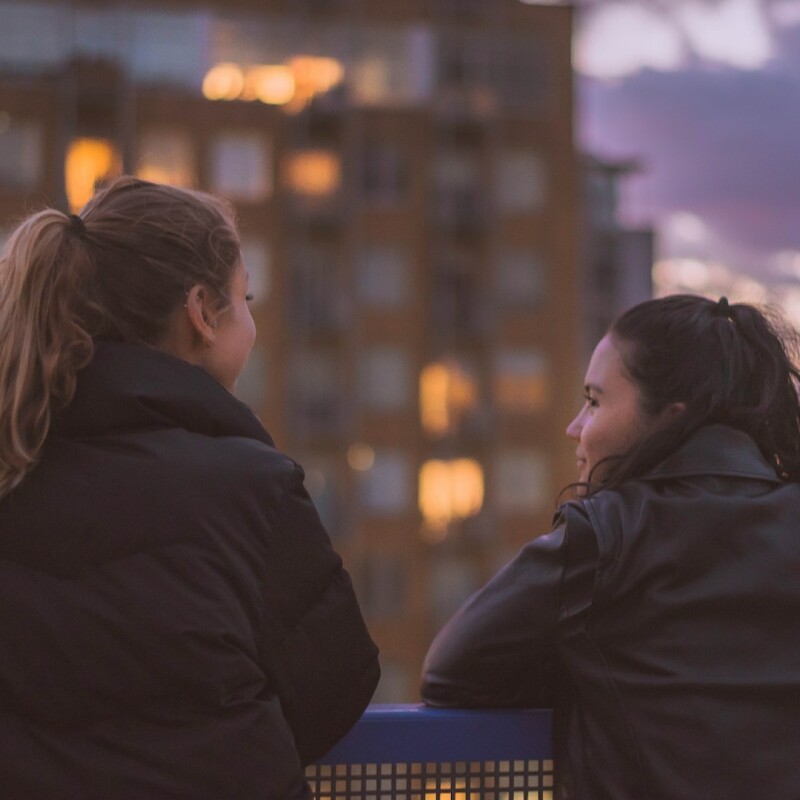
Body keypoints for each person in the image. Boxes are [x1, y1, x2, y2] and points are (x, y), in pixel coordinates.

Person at [0, 176, 380, 799]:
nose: (253, 323)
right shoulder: (254, 490)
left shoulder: (14, 464)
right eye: (246, 298)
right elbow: (338, 682)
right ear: (201, 312)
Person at [421, 294, 800, 799]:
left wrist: (595, 679)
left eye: (595, 401)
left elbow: (450, 674)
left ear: (669, 418)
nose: (574, 427)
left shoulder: (606, 533)